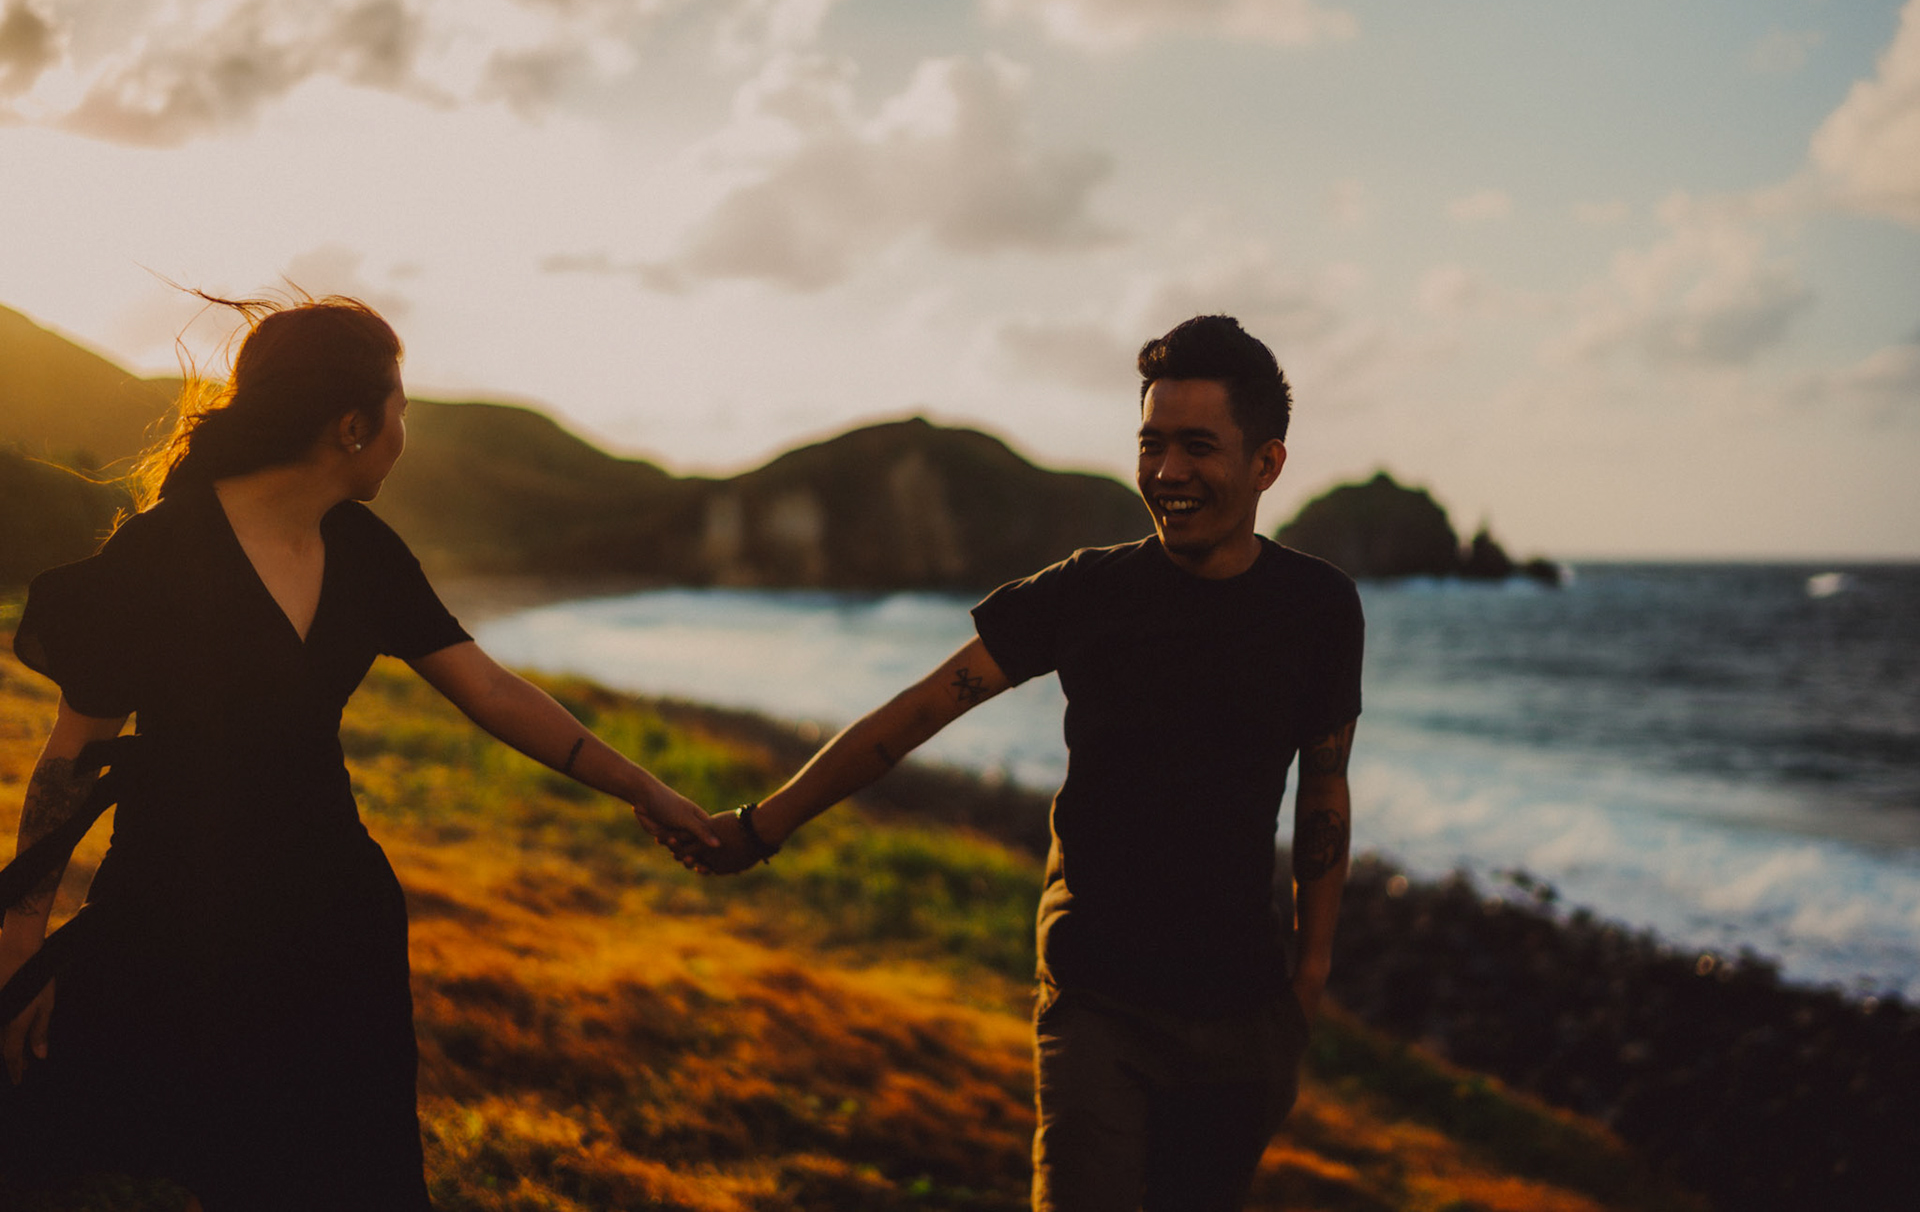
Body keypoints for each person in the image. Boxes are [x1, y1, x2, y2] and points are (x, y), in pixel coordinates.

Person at [0, 294, 716, 1211]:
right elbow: (71, 758)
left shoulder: (363, 549)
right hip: (171, 911)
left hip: (332, 922)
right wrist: (23, 945)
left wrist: (645, 789)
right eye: (401, 410)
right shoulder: (159, 552)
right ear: (350, 425)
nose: (404, 433)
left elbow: (491, 690)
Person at [669, 314, 1363, 1211]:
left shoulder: (1318, 606)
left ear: (1267, 463)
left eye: (1199, 447)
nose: (1167, 473)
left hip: (1242, 1009)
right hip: (1098, 997)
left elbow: (1326, 783)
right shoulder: (1086, 591)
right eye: (1151, 444)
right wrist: (764, 825)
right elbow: (921, 708)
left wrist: (1308, 978)